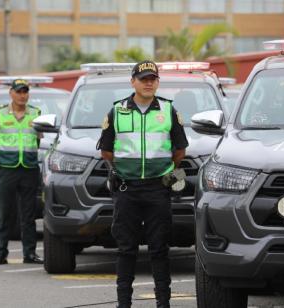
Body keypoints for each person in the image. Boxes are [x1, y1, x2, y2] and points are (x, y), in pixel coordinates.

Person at [97, 61, 189, 308]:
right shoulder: (117, 111)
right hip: (127, 190)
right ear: (133, 82)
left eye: (153, 79)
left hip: (158, 189)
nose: (149, 83)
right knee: (126, 249)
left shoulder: (169, 111)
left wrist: (164, 173)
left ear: (157, 82)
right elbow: (106, 152)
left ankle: (163, 303)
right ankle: (123, 303)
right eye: (143, 78)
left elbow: (180, 151)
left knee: (159, 249)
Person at [0, 79, 44, 265]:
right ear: (11, 93)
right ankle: (1, 252)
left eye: (25, 92)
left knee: (28, 215)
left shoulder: (36, 114)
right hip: (7, 168)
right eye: (19, 92)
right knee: (4, 213)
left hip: (29, 168)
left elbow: (37, 141)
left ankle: (29, 253)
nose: (22, 95)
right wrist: (0, 158)